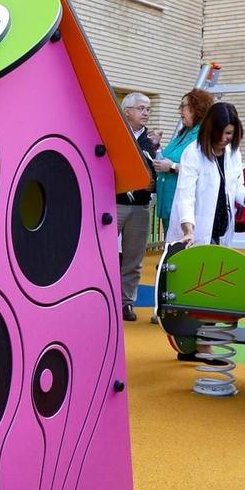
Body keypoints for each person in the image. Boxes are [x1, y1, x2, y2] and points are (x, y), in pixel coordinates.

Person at [164, 101, 245, 248]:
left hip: (221, 229)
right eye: (218, 133)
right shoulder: (193, 153)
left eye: (228, 133)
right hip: (195, 230)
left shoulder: (234, 153)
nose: (223, 138)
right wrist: (188, 230)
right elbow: (185, 196)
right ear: (208, 130)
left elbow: (237, 187)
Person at [115, 92, 164, 321]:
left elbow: (158, 171)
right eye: (141, 108)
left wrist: (153, 184)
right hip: (114, 204)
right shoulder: (114, 135)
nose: (146, 112)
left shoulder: (152, 142)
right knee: (101, 255)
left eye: (148, 109)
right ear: (128, 111)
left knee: (134, 260)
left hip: (140, 209)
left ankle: (126, 303)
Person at [152, 88, 217, 234]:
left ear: (196, 108)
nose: (180, 111)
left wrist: (172, 167)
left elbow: (204, 170)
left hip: (185, 205)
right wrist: (157, 145)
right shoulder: (184, 133)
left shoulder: (203, 135)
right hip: (168, 203)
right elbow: (167, 158)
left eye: (183, 106)